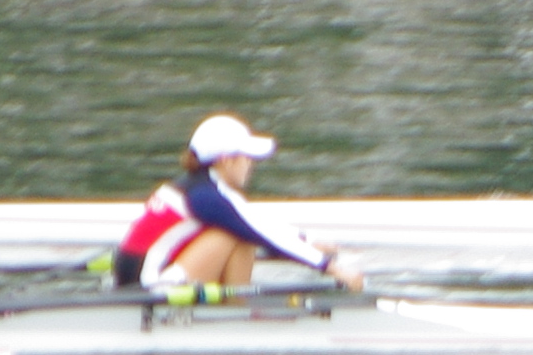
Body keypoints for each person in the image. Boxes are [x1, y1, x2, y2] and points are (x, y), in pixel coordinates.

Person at [116, 114, 365, 292]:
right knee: (236, 235)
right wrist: (334, 270)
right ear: (226, 160)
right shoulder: (204, 198)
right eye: (246, 158)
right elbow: (261, 234)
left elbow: (254, 220)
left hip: (143, 276)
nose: (251, 164)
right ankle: (239, 314)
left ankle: (238, 306)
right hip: (146, 288)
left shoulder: (202, 187)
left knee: (242, 232)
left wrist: (308, 240)